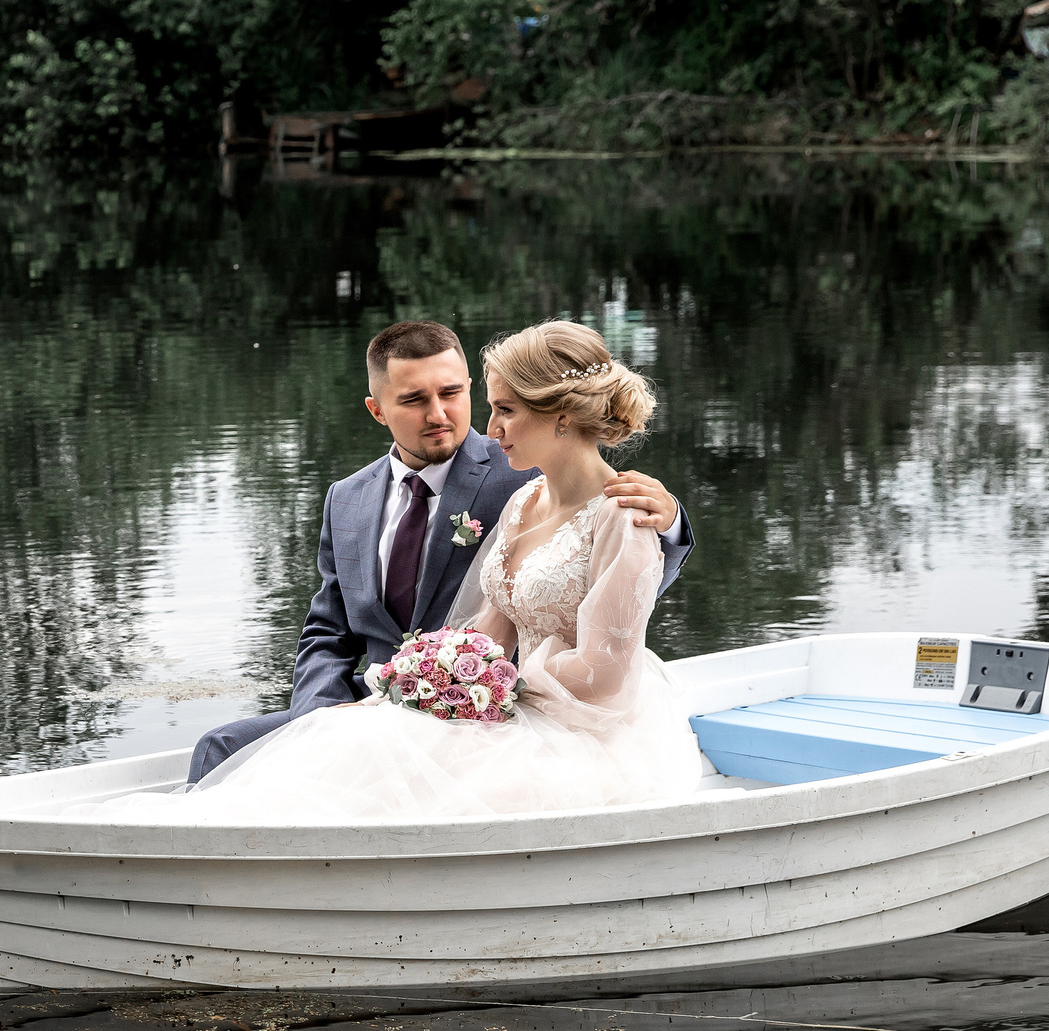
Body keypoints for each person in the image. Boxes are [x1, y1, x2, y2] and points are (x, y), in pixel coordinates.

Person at [142, 319, 705, 820]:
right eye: (414, 399)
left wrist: (670, 524)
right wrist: (323, 718)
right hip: (400, 698)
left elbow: (618, 605)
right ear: (378, 409)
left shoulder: (511, 473)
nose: (445, 416)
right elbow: (328, 631)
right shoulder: (351, 499)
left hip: (511, 714)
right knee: (223, 748)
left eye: (456, 394)